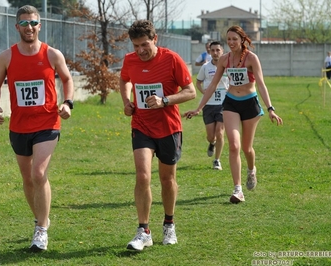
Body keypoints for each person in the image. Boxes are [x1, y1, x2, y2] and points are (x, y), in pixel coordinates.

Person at [0, 5, 74, 251]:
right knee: (27, 178)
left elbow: (67, 79)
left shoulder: (52, 54)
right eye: (24, 23)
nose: (29, 27)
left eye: (33, 23)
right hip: (19, 125)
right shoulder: (6, 56)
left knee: (38, 173)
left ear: (40, 25)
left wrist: (67, 103)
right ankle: (41, 218)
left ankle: (41, 230)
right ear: (17, 27)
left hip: (47, 123)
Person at [184, 25, 283, 204]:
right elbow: (212, 85)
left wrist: (270, 108)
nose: (231, 43)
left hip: (250, 104)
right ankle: (238, 189)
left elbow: (261, 84)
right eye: (228, 39)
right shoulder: (224, 60)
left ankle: (251, 170)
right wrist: (199, 108)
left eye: (234, 39)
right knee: (234, 146)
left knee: (246, 148)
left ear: (242, 40)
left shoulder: (252, 58)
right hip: (230, 103)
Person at [120, 19, 196, 251]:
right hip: (141, 125)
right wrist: (126, 101)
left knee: (167, 179)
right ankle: (143, 230)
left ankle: (169, 223)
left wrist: (165, 100)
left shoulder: (172, 59)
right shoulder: (129, 60)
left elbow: (191, 92)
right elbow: (124, 79)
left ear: (155, 39)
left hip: (169, 128)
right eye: (135, 46)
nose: (140, 50)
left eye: (144, 44)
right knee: (143, 176)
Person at [186, 41, 228, 170]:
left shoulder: (228, 66)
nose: (215, 53)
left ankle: (217, 160)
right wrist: (204, 92)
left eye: (218, 50)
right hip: (209, 105)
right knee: (211, 136)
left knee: (220, 133)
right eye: (212, 50)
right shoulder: (205, 67)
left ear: (222, 51)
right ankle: (212, 143)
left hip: (224, 104)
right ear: (209, 52)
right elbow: (198, 82)